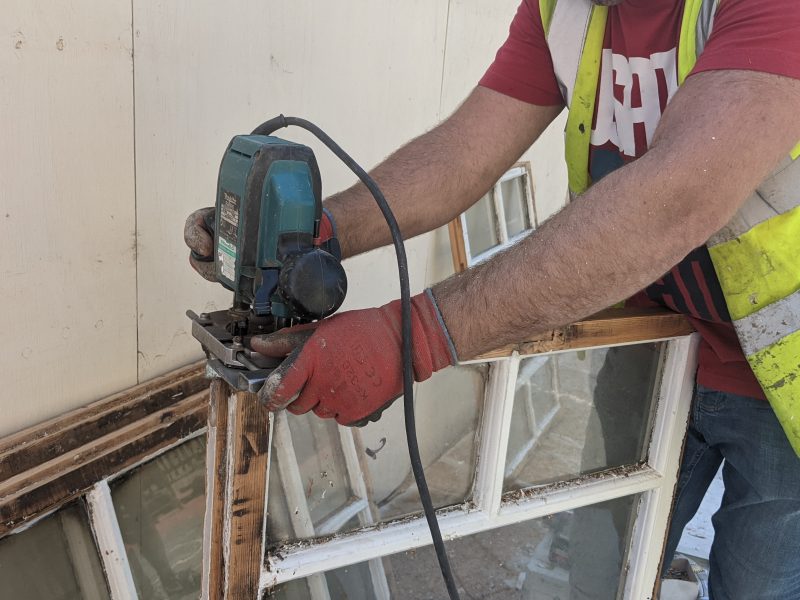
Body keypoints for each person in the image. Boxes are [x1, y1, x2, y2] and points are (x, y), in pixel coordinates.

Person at [185, 1, 800, 597]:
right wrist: (308, 232)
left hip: (783, 373)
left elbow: (676, 196)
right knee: (601, 567)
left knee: (758, 583)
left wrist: (413, 336)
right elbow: (462, 151)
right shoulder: (567, 9)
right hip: (661, 343)